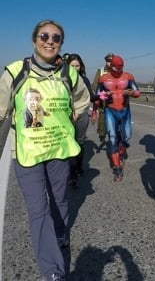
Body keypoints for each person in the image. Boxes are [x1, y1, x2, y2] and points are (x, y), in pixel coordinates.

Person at [0, 20, 90, 281]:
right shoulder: (16, 71)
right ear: (34, 40)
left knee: (59, 199)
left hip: (59, 150)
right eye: (44, 36)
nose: (50, 41)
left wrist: (73, 116)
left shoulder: (68, 74)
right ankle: (53, 270)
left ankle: (60, 233)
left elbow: (83, 100)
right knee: (38, 209)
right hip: (27, 154)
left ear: (61, 43)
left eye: (56, 37)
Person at [93, 55, 141, 182]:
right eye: (115, 68)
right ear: (111, 66)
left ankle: (122, 148)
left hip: (125, 111)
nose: (118, 70)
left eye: (120, 68)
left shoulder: (128, 76)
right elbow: (97, 96)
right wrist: (104, 96)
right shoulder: (103, 78)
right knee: (113, 138)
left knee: (127, 137)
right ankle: (117, 168)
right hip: (110, 111)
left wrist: (131, 93)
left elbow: (137, 92)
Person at [66, 53, 95, 188]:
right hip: (66, 116)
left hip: (82, 115)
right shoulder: (61, 79)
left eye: (77, 66)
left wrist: (105, 96)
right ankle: (71, 174)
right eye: (72, 65)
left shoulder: (84, 79)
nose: (75, 68)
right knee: (69, 143)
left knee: (80, 142)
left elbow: (91, 96)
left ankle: (79, 166)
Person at [92, 52, 114, 142]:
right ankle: (102, 134)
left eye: (112, 61)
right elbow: (94, 84)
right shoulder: (100, 71)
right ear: (106, 61)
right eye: (108, 61)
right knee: (103, 115)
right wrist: (102, 94)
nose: (110, 63)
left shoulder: (117, 71)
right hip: (103, 98)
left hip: (114, 99)